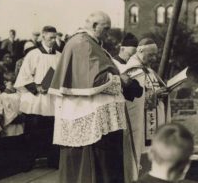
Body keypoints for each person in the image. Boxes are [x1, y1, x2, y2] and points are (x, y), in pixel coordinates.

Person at [48, 11, 127, 183]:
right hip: (87, 117)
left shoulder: (92, 43)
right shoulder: (82, 43)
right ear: (94, 26)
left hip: (94, 117)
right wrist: (120, 80)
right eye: (105, 29)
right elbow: (95, 80)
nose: (108, 33)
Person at [122, 38, 171, 183]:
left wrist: (163, 92)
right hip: (140, 124)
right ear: (140, 50)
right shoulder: (130, 71)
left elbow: (153, 90)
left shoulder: (148, 70)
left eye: (155, 55)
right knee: (139, 155)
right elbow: (132, 99)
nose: (153, 58)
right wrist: (154, 95)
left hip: (153, 123)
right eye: (151, 55)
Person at [14, 26, 61, 170]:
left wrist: (50, 84)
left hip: (52, 99)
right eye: (50, 37)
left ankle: (53, 161)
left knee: (51, 131)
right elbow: (23, 75)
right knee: (32, 133)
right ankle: (27, 163)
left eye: (55, 38)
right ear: (43, 36)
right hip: (36, 100)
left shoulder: (59, 55)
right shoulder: (33, 54)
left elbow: (60, 75)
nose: (53, 40)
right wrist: (37, 87)